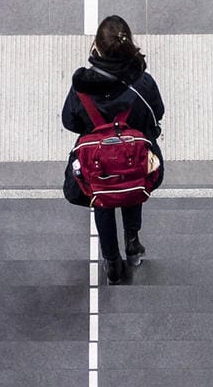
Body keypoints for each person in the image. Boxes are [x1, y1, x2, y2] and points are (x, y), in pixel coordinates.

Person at [63, 15, 166, 284]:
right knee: (133, 189)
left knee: (102, 202)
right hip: (134, 158)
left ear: (96, 47)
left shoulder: (82, 89)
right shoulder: (143, 83)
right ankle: (133, 243)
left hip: (98, 166)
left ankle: (112, 262)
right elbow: (158, 113)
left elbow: (69, 121)